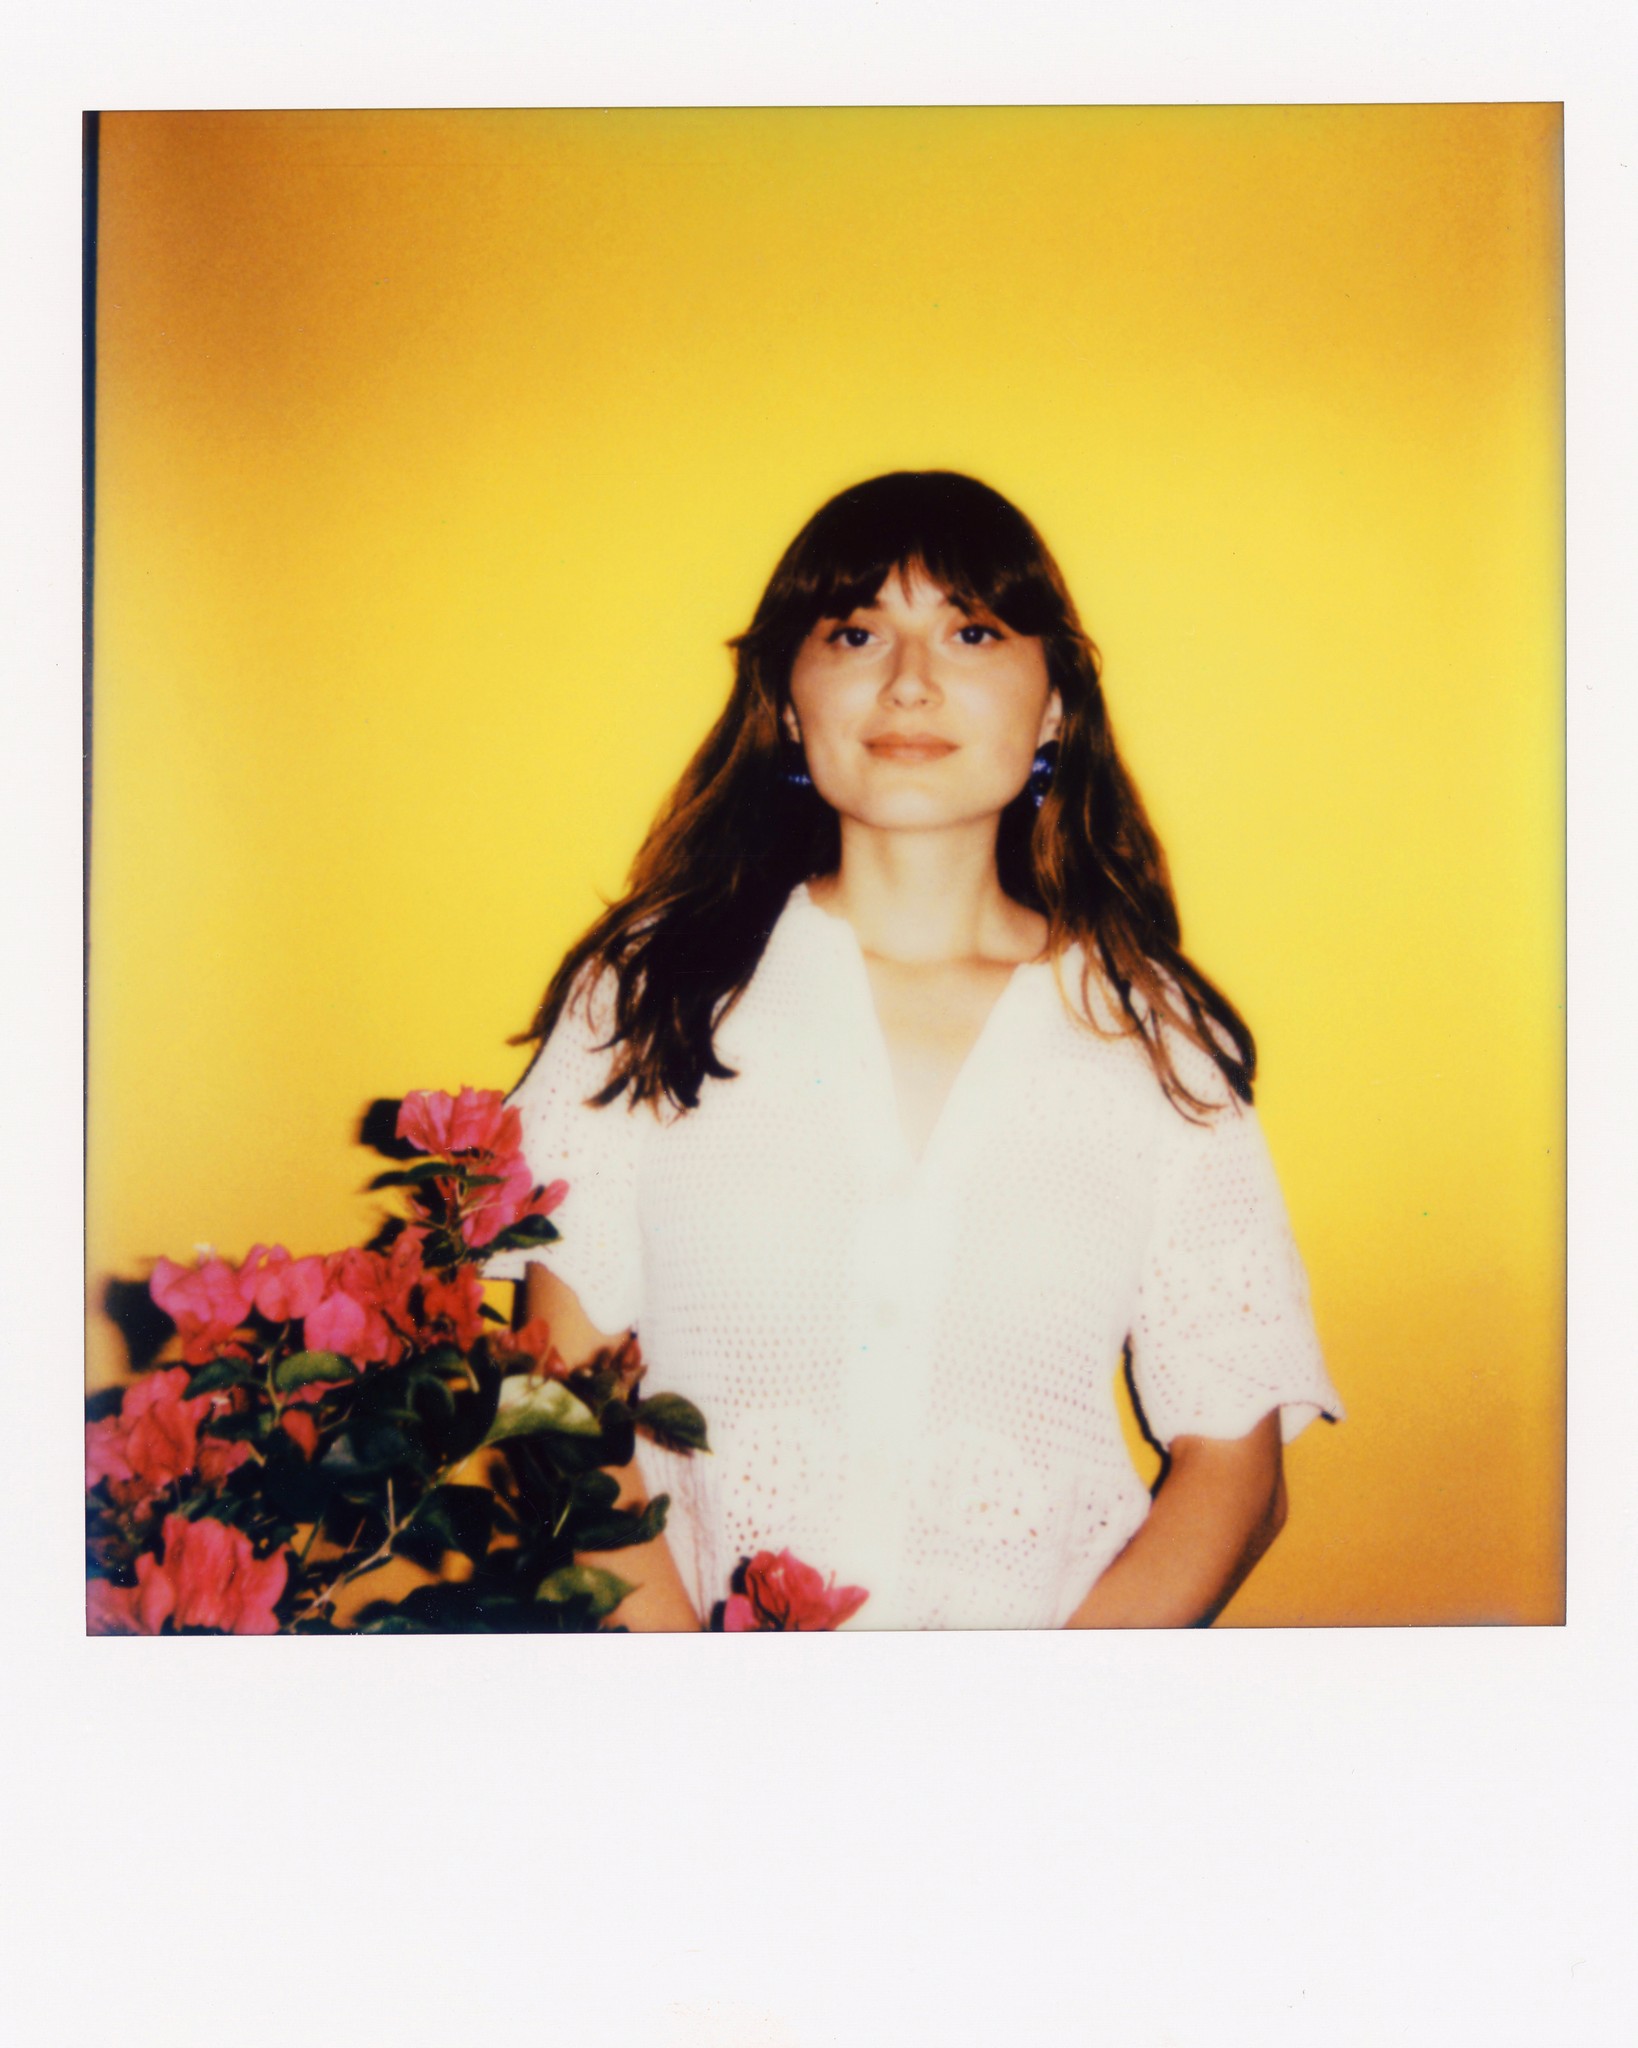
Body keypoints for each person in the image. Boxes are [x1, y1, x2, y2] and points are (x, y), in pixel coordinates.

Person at [486, 470, 1342, 1630]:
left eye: (971, 631)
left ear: (1055, 706)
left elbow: (1236, 1475)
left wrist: (1043, 1722)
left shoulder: (1152, 1039)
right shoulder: (650, 992)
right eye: (855, 632)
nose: (909, 679)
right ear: (790, 703)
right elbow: (556, 1399)